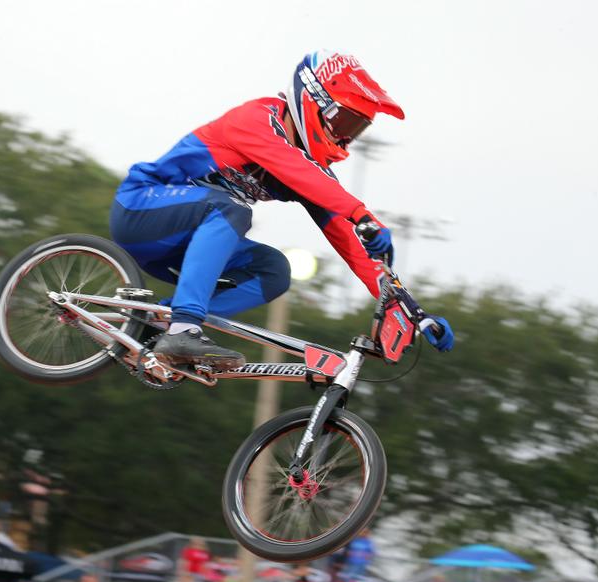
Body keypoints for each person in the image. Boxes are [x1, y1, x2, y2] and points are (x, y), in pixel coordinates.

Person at [109, 50, 454, 368]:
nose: (345, 140)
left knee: (275, 270)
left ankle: (167, 323)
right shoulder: (257, 119)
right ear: (313, 100)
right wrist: (363, 213)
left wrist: (409, 309)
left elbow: (348, 240)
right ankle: (184, 329)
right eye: (345, 123)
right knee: (232, 209)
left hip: (181, 248)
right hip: (140, 209)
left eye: (356, 131)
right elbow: (298, 170)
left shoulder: (306, 169)